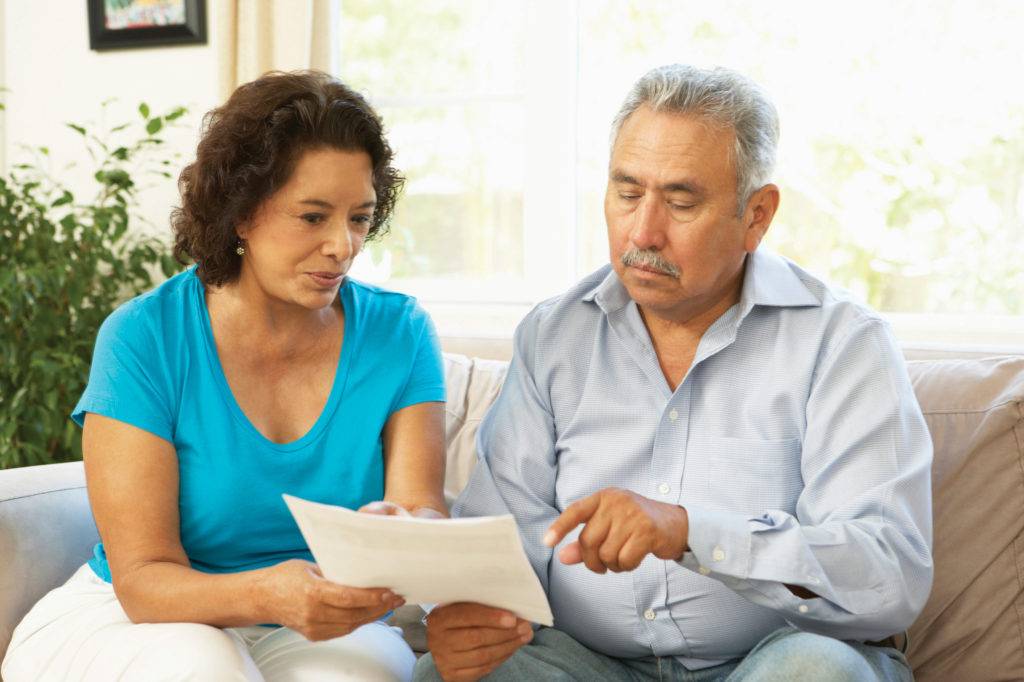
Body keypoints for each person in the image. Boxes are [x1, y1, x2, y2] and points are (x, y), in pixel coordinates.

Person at [414, 64, 932, 682]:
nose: (642, 232)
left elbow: (887, 572)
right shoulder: (554, 336)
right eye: (627, 193)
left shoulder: (842, 342)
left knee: (815, 673)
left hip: (774, 660)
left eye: (681, 201)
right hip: (585, 664)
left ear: (757, 214)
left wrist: (690, 532)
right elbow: (497, 543)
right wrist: (464, 616)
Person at [1, 70, 446, 682]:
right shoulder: (145, 337)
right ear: (241, 214)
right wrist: (266, 593)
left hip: (315, 623)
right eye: (313, 217)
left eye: (360, 218)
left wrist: (407, 533)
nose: (342, 246)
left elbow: (421, 509)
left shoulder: (400, 333)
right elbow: (144, 580)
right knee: (203, 666)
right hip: (139, 616)